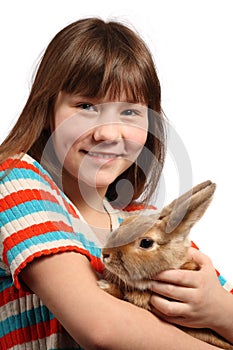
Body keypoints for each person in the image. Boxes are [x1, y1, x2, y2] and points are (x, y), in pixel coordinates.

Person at [0, 17, 232, 350]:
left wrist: (217, 308)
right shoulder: (18, 182)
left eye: (129, 112)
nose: (107, 133)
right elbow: (101, 329)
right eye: (86, 106)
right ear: (47, 108)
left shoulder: (144, 221)